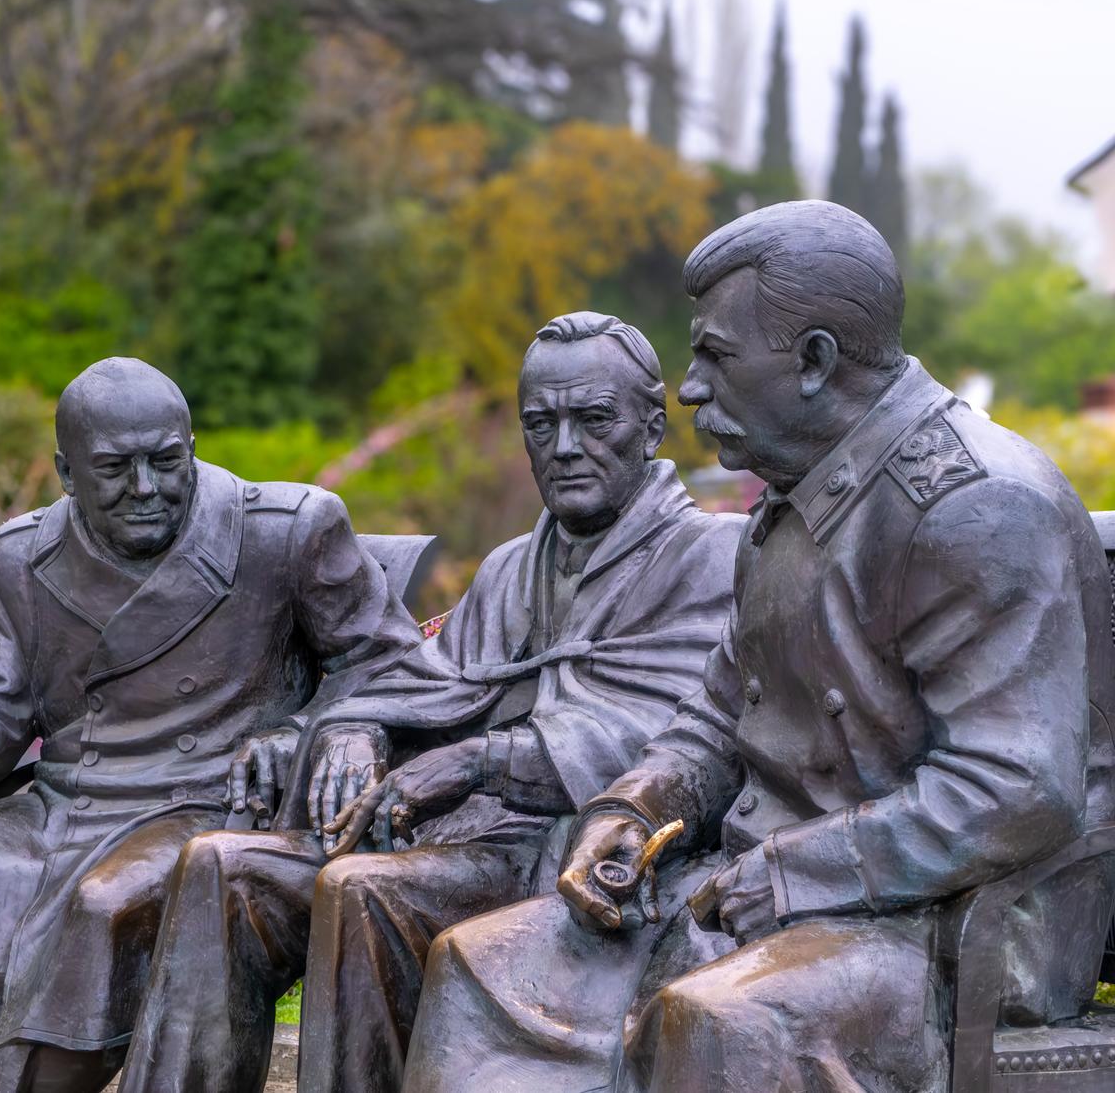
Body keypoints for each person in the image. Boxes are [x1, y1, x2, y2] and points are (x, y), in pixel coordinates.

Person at [403, 202, 1115, 1093]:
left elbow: (1015, 791)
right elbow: (713, 716)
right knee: (479, 965)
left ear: (814, 362)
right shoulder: (788, 499)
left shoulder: (976, 507)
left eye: (715, 355)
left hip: (947, 920)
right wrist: (629, 809)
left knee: (712, 1021)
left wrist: (790, 873)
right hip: (754, 879)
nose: (690, 386)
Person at [115, 312, 746, 1093]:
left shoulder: (715, 556)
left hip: (560, 854)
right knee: (221, 867)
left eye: (593, 420)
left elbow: (676, 739)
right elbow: (423, 683)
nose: (565, 446)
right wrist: (353, 725)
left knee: (362, 889)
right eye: (539, 424)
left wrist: (481, 760)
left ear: (653, 425)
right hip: (447, 833)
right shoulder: (512, 566)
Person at [0, 357, 421, 1093]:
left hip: (213, 800)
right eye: (115, 468)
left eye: (166, 461)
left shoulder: (284, 530)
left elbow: (390, 664)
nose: (146, 489)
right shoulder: (21, 556)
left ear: (193, 445)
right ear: (66, 471)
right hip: (66, 801)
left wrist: (305, 730)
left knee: (102, 906)